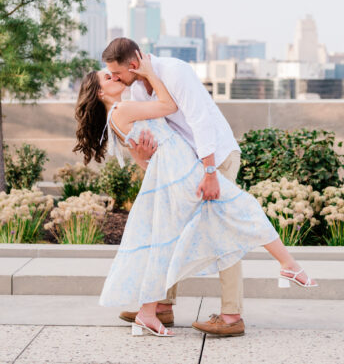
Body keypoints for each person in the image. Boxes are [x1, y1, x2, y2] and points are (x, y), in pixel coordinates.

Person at [74, 45, 318, 338]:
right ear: (101, 93)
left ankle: (152, 310)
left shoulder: (167, 76)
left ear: (132, 62)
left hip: (203, 160)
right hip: (182, 173)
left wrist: (209, 170)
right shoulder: (126, 105)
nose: (114, 77)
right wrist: (149, 78)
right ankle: (286, 266)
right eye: (108, 77)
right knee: (240, 212)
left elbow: (194, 122)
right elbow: (167, 111)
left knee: (171, 240)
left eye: (115, 73)